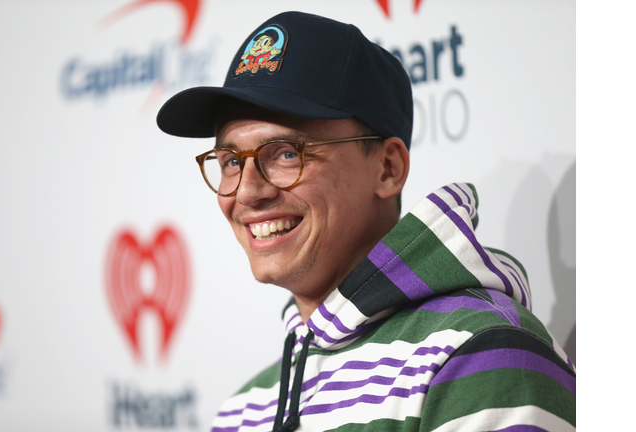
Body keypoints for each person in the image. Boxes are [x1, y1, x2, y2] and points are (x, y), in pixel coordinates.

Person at [157, 11, 576, 432]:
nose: (247, 192)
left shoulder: (478, 355)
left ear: (388, 168)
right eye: (231, 162)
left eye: (286, 153)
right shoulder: (244, 409)